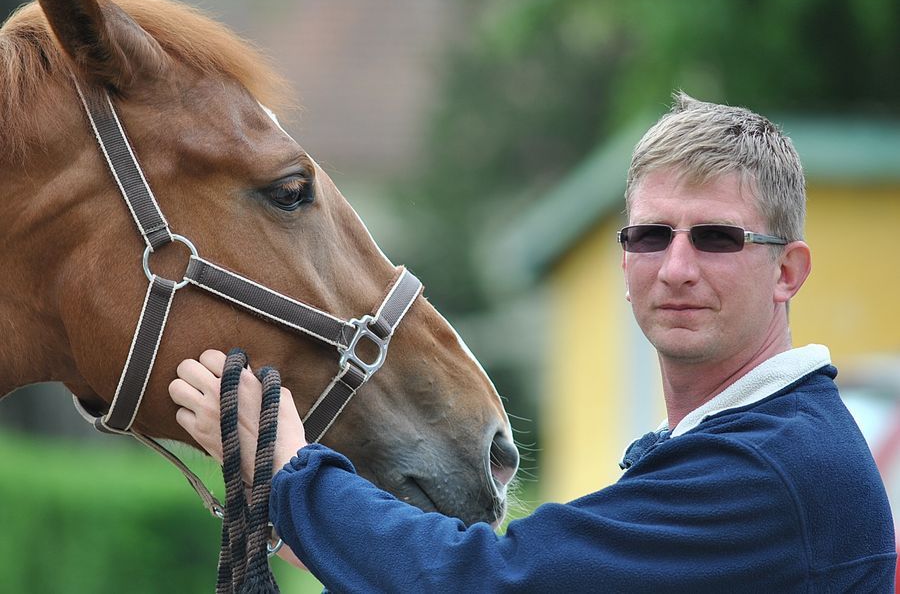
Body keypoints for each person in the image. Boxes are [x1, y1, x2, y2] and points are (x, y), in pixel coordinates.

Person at [169, 93, 896, 592]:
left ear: (787, 271)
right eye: (650, 235)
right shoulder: (744, 441)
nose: (676, 267)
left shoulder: (772, 468)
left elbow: (492, 582)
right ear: (624, 257)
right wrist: (320, 535)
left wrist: (293, 472)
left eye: (715, 238)